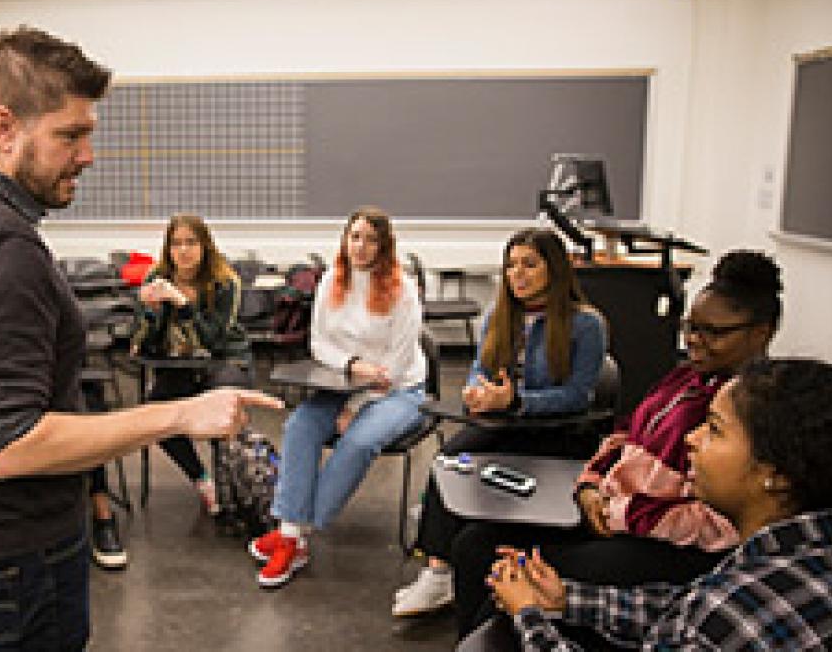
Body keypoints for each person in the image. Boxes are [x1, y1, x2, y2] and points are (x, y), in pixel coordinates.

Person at [0, 26, 281, 651]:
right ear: (3, 127)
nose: (89, 154)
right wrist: (180, 414)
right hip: (11, 544)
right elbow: (13, 445)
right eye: (70, 135)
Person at [394, 251, 782, 638]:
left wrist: (615, 510)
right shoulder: (684, 380)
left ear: (761, 332)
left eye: (712, 332)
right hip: (609, 513)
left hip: (658, 543)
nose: (694, 341)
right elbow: (624, 435)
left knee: (510, 575)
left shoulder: (759, 412)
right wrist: (590, 484)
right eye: (690, 328)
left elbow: (719, 520)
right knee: (474, 545)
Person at [489, 357, 832, 650]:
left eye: (714, 428)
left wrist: (529, 615)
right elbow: (681, 605)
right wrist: (568, 598)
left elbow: (703, 619)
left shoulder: (728, 616)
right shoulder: (814, 554)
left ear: (777, 474)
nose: (691, 439)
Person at [392, 227, 606, 617]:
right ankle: (439, 573)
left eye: (529, 265)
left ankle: (458, 551)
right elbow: (479, 370)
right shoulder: (498, 314)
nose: (517, 274)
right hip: (503, 424)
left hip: (556, 433)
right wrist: (478, 392)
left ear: (554, 269)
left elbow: (579, 396)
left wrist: (517, 401)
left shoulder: (586, 324)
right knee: (448, 462)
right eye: (511, 265)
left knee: (476, 469)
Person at [246, 206, 426, 588]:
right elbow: (319, 344)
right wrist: (352, 364)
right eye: (355, 236)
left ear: (384, 246)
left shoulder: (402, 289)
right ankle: (292, 534)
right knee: (299, 425)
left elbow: (395, 365)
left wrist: (356, 407)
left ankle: (296, 533)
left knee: (360, 441)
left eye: (371, 239)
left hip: (399, 390)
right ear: (345, 239)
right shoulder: (331, 280)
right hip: (345, 382)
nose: (361, 246)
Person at [129, 213, 251, 515]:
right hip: (179, 364)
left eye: (191, 242)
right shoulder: (157, 277)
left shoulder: (225, 281)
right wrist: (150, 312)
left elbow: (212, 340)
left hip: (225, 359)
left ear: (205, 245)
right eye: (176, 243)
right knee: (157, 412)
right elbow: (144, 344)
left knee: (221, 409)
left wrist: (183, 305)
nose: (183, 250)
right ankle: (203, 480)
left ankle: (232, 489)